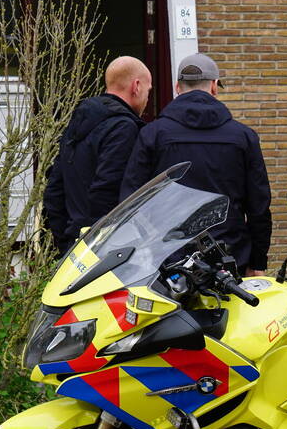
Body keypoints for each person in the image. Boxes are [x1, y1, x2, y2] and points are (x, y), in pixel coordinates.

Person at [120, 53, 271, 276]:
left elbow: (131, 202)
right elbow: (259, 206)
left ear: (177, 87)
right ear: (214, 87)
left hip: (166, 263)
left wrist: (144, 254)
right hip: (229, 260)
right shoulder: (243, 137)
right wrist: (257, 261)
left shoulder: (152, 134)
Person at [43, 56, 152, 254]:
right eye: (148, 90)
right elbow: (108, 191)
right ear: (136, 86)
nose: (147, 98)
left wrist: (66, 240)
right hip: (103, 249)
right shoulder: (124, 129)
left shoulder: (78, 124)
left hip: (74, 246)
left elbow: (54, 189)